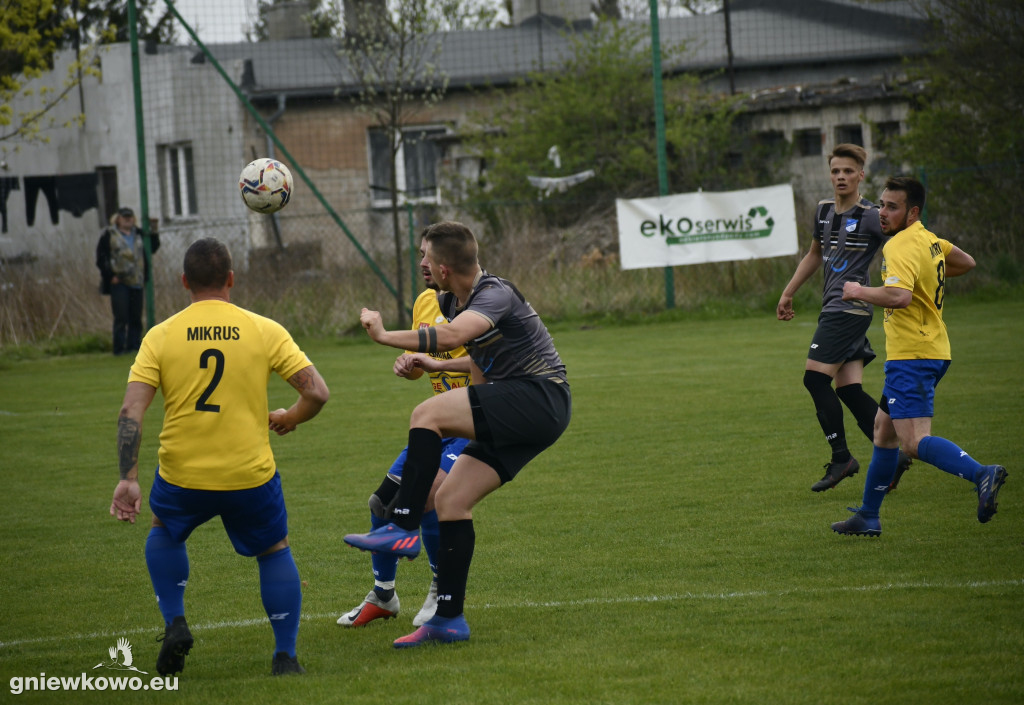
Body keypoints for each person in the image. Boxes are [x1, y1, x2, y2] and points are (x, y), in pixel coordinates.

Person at [343, 221, 572, 648]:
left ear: (443, 267)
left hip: (541, 398)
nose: (421, 263)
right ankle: (448, 619)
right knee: (450, 500)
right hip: (527, 406)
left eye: (425, 256)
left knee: (426, 413)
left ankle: (402, 527)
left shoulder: (494, 293)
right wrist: (439, 366)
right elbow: (482, 363)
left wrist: (384, 336)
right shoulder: (452, 299)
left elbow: (451, 336)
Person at [109, 237, 330, 676]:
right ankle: (285, 657)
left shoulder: (160, 335)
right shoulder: (263, 329)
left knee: (164, 529)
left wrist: (128, 478)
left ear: (184, 281)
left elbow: (131, 411)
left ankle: (175, 622)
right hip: (249, 474)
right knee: (273, 549)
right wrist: (290, 418)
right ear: (231, 278)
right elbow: (318, 393)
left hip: (182, 474)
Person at [831, 176, 1006, 536]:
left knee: (912, 442)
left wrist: (858, 291)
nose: (883, 212)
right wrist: (925, 277)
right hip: (932, 350)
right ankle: (868, 516)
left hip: (912, 355)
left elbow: (899, 296)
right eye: (882, 204)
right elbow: (967, 261)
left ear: (912, 212)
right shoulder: (928, 239)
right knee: (883, 432)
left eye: (892, 207)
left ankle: (981, 473)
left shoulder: (900, 246)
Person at [337, 249, 473, 629]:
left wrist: (432, 360)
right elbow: (422, 359)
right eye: (420, 255)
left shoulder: (480, 302)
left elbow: (490, 366)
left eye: (429, 255)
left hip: (472, 425)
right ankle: (383, 595)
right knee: (381, 503)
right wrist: (410, 364)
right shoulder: (424, 302)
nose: (422, 263)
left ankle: (440, 588)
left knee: (429, 497)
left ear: (448, 261)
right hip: (439, 426)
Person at [776, 144, 911, 492]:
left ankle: (842, 458)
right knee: (849, 389)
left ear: (861, 175)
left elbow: (906, 243)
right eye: (836, 171)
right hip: (835, 308)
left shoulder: (871, 215)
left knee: (814, 380)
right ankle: (894, 457)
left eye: (848, 171)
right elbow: (814, 254)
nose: (841, 177)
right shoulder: (823, 210)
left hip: (848, 309)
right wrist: (788, 292)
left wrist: (903, 281)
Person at [96, 207, 160, 355]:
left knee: (135, 317)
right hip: (119, 282)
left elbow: (153, 247)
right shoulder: (109, 235)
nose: (127, 219)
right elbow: (101, 257)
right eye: (124, 217)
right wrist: (110, 276)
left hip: (137, 280)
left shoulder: (139, 234)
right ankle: (119, 348)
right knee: (121, 316)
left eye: (130, 217)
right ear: (117, 219)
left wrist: (154, 231)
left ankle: (134, 346)